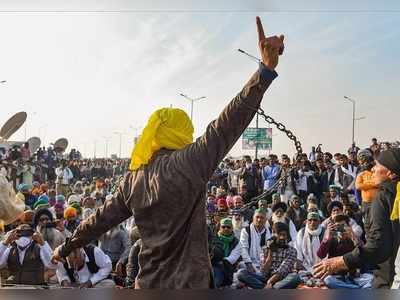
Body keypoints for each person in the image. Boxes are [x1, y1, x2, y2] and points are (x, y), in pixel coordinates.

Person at [52, 17, 285, 289]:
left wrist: (66, 247)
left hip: (148, 283)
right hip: (190, 285)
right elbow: (228, 122)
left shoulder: (133, 179)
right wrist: (265, 71)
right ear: (181, 133)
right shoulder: (192, 160)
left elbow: (98, 221)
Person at [314, 149, 400, 289]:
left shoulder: (383, 198)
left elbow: (378, 246)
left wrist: (339, 262)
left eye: (377, 165)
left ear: (390, 172)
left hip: (389, 276)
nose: (373, 168)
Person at [316, 214, 373, 289]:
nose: (341, 229)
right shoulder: (332, 239)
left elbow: (363, 252)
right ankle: (356, 289)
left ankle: (352, 289)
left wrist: (353, 236)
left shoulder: (353, 237)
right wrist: (327, 237)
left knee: (371, 279)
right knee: (328, 281)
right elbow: (321, 255)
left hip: (354, 276)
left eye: (343, 226)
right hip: (338, 277)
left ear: (349, 226)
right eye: (338, 226)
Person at [237, 222, 300, 289]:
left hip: (282, 279)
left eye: (284, 235)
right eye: (279, 234)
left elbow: (282, 270)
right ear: (273, 233)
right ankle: (270, 289)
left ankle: (267, 289)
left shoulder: (292, 251)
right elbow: (263, 271)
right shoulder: (265, 249)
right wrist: (270, 251)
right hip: (265, 278)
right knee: (241, 273)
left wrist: (270, 282)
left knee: (295, 277)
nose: (282, 237)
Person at [211, 218, 241, 288]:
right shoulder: (213, 239)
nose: (226, 229)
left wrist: (220, 259)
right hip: (213, 265)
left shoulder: (237, 242)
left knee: (217, 280)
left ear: (232, 228)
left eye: (228, 227)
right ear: (219, 227)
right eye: (223, 227)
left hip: (227, 268)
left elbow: (232, 259)